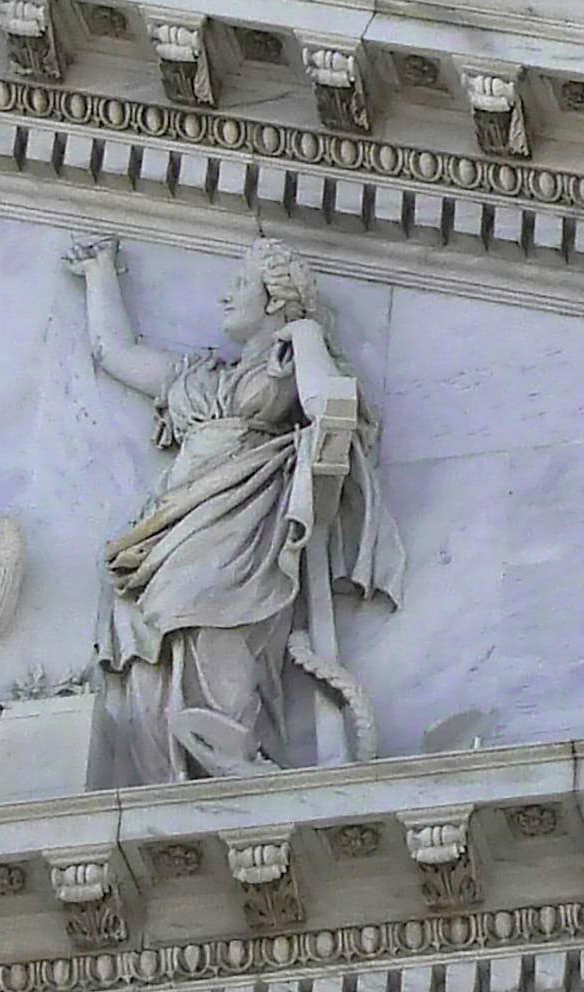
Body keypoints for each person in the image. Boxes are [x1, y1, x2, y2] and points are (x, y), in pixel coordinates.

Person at [68, 234, 400, 781]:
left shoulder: (287, 364)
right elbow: (116, 354)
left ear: (274, 298)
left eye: (241, 285)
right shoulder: (198, 376)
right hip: (172, 520)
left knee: (209, 617)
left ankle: (231, 750)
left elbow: (330, 407)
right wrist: (99, 272)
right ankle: (167, 767)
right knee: (152, 645)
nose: (225, 296)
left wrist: (305, 332)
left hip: (240, 518)